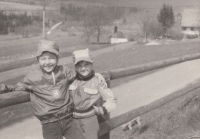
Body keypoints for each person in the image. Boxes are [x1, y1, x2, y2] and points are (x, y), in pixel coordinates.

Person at [0, 39, 107, 139]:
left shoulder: (64, 71)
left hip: (68, 119)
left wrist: (95, 75)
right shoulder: (33, 77)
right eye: (43, 59)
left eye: (51, 58)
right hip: (49, 123)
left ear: (57, 58)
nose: (47, 62)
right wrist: (2, 88)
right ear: (38, 59)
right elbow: (17, 87)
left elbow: (80, 74)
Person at [69, 48, 117, 139]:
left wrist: (101, 110)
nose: (83, 68)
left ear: (92, 64)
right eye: (79, 65)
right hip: (74, 121)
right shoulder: (72, 80)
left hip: (90, 121)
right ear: (75, 67)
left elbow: (111, 99)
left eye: (86, 64)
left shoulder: (97, 81)